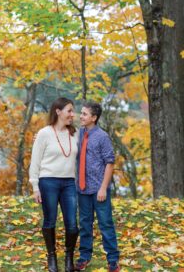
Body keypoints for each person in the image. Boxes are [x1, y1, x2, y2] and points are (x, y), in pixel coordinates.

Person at [29, 97, 79, 272]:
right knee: (50, 220)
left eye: (73, 111)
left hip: (69, 183)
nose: (73, 114)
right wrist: (35, 186)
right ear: (58, 111)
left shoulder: (75, 133)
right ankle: (51, 256)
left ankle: (68, 258)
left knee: (72, 224)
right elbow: (34, 162)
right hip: (48, 181)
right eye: (69, 111)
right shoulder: (44, 133)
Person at [75, 101, 120, 272]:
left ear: (94, 118)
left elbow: (110, 163)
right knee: (85, 224)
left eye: (85, 114)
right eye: (81, 113)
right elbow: (60, 137)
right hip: (82, 189)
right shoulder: (78, 134)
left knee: (105, 224)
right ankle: (84, 257)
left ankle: (113, 259)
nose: (81, 116)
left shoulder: (102, 136)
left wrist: (103, 188)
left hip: (99, 189)